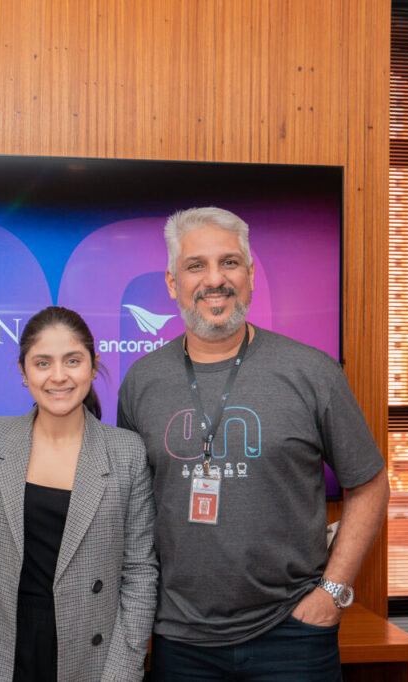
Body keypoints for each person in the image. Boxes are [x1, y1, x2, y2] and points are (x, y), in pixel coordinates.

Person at [117, 207, 390, 681]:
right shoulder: (141, 382)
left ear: (250, 275)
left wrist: (333, 593)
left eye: (229, 262)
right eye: (195, 265)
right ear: (171, 283)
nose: (214, 280)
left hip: (293, 635)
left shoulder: (312, 372)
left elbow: (370, 485)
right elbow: (130, 508)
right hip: (180, 641)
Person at [0, 306, 158, 681]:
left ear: (93, 366)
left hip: (83, 655)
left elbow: (139, 572)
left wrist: (123, 671)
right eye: (42, 363)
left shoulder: (126, 452)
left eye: (72, 360)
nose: (58, 376)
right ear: (24, 372)